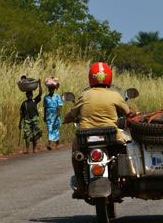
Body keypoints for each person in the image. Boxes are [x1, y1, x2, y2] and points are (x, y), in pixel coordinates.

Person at [64, 62, 135, 196]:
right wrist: (133, 114)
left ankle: (80, 184)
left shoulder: (84, 96)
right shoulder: (115, 95)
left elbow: (71, 115)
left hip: (85, 138)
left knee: (76, 155)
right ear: (109, 77)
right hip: (112, 136)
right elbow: (129, 113)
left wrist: (66, 119)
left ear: (91, 77)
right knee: (127, 147)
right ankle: (127, 179)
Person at [18, 82, 43, 153]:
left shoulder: (34, 101)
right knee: (27, 134)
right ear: (26, 95)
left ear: (32, 95)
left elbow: (40, 93)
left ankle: (34, 149)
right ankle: (27, 149)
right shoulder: (24, 103)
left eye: (30, 94)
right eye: (28, 95)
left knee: (35, 134)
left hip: (35, 119)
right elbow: (21, 114)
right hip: (27, 120)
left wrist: (40, 84)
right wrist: (20, 123)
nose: (29, 96)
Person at [43, 77, 63, 150]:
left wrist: (58, 114)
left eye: (52, 89)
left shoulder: (57, 96)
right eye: (50, 89)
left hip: (56, 115)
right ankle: (50, 144)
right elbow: (45, 107)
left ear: (54, 89)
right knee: (50, 129)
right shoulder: (46, 97)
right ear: (48, 89)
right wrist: (44, 116)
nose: (51, 90)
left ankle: (57, 144)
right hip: (49, 116)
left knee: (56, 130)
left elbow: (60, 106)